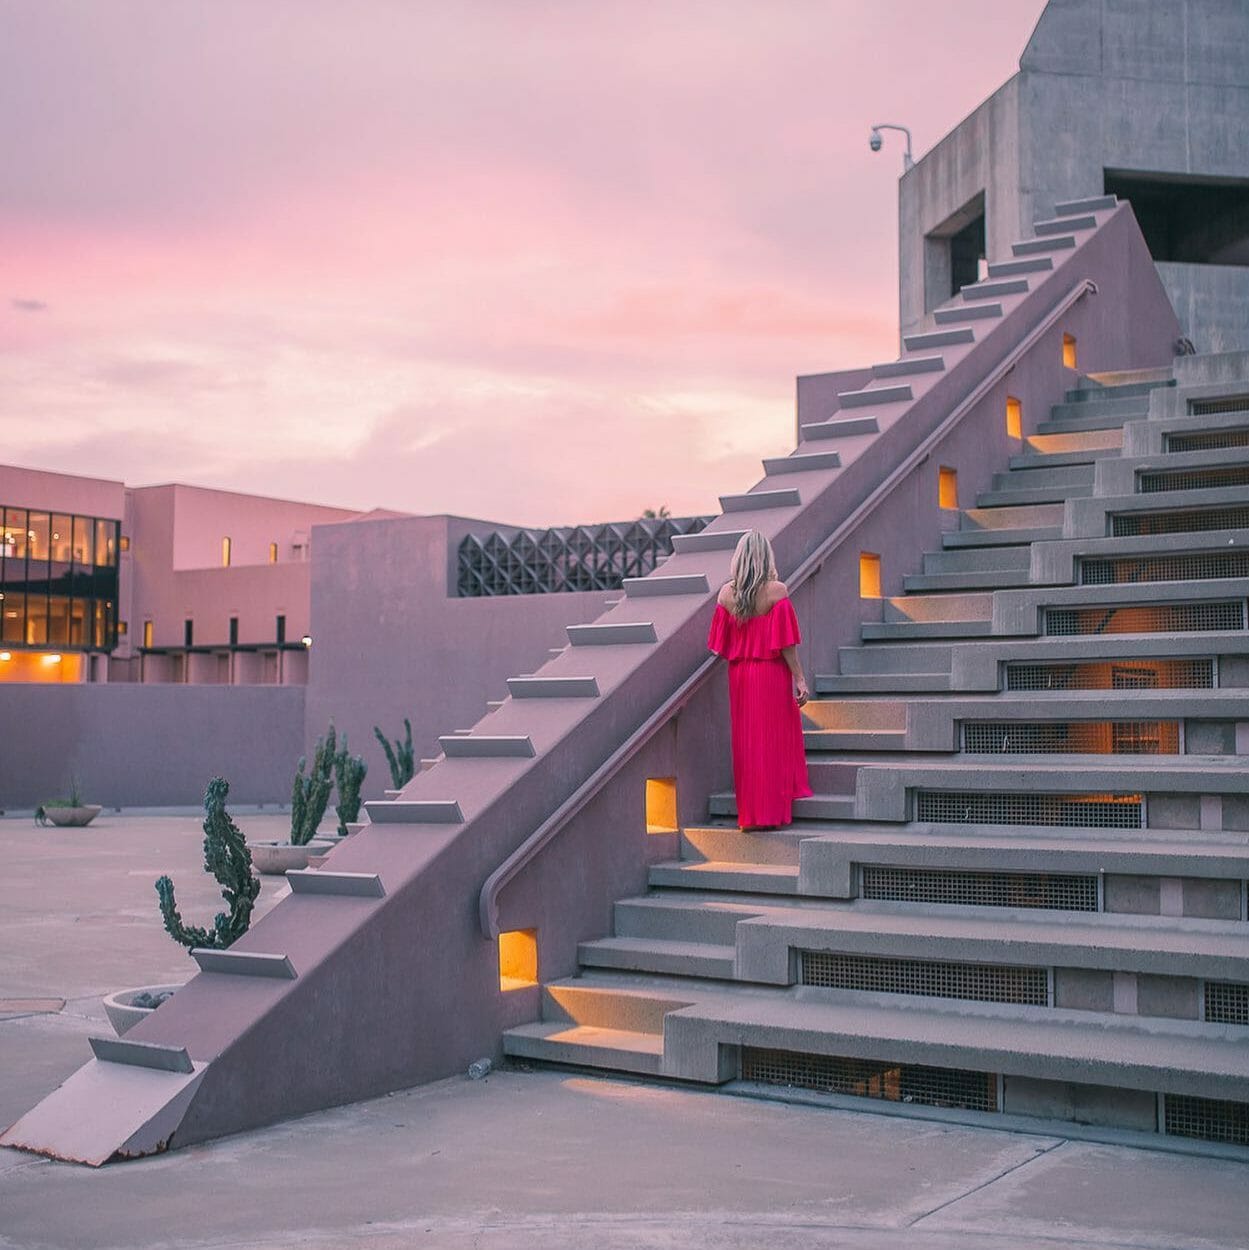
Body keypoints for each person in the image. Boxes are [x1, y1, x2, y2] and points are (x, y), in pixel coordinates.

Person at [707, 530, 813, 831]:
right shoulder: (777, 591)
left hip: (740, 676)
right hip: (771, 674)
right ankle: (773, 812)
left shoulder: (726, 595)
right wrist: (800, 679)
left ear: (738, 559)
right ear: (766, 557)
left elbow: (717, 645)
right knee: (773, 742)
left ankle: (751, 816)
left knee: (748, 745)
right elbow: (786, 644)